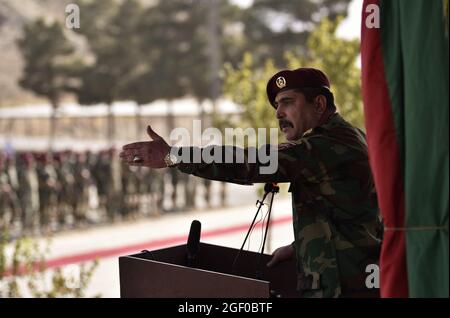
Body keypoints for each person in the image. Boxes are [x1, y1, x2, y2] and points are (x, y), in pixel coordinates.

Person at [120, 68, 382, 298]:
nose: (279, 113)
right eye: (277, 106)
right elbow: (349, 212)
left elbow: (249, 162)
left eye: (288, 102)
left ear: (319, 104)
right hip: (353, 278)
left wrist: (173, 155)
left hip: (343, 287)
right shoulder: (350, 136)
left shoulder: (325, 147)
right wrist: (299, 247)